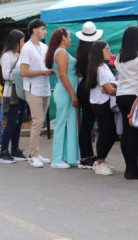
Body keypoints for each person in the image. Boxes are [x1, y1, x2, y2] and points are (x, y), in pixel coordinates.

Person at [114, 26, 138, 179]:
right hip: (135, 96)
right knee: (135, 133)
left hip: (121, 95)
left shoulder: (119, 56)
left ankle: (130, 165)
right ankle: (132, 170)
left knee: (127, 133)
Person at [20, 19, 53, 168]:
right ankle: (33, 155)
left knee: (40, 122)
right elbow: (23, 72)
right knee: (37, 121)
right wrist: (42, 72)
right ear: (34, 30)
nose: (45, 32)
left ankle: (37, 153)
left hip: (45, 88)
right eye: (43, 29)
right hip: (33, 89)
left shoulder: (45, 47)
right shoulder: (27, 48)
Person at [46, 27, 79, 168]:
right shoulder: (61, 52)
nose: (70, 39)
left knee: (70, 123)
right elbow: (63, 75)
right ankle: (56, 159)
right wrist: (73, 94)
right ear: (63, 37)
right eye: (69, 36)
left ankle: (69, 157)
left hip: (67, 91)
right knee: (61, 123)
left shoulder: (62, 52)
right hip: (66, 92)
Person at [87, 41, 118, 176]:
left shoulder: (104, 66)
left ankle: (101, 160)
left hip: (104, 103)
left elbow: (112, 85)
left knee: (112, 133)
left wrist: (114, 87)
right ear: (100, 51)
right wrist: (117, 89)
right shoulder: (99, 69)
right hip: (102, 104)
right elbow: (109, 89)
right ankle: (100, 162)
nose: (109, 52)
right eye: (107, 49)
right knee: (105, 133)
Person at [75, 22, 103, 169]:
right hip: (89, 87)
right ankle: (85, 157)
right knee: (87, 123)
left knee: (87, 123)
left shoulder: (81, 50)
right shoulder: (93, 52)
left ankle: (88, 155)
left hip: (83, 87)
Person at [0, 30, 28, 162]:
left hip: (21, 90)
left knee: (19, 122)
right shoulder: (7, 56)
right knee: (11, 122)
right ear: (15, 41)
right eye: (22, 41)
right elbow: (6, 75)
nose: (24, 43)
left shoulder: (19, 55)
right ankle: (3, 152)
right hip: (12, 91)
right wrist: (22, 73)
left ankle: (15, 150)